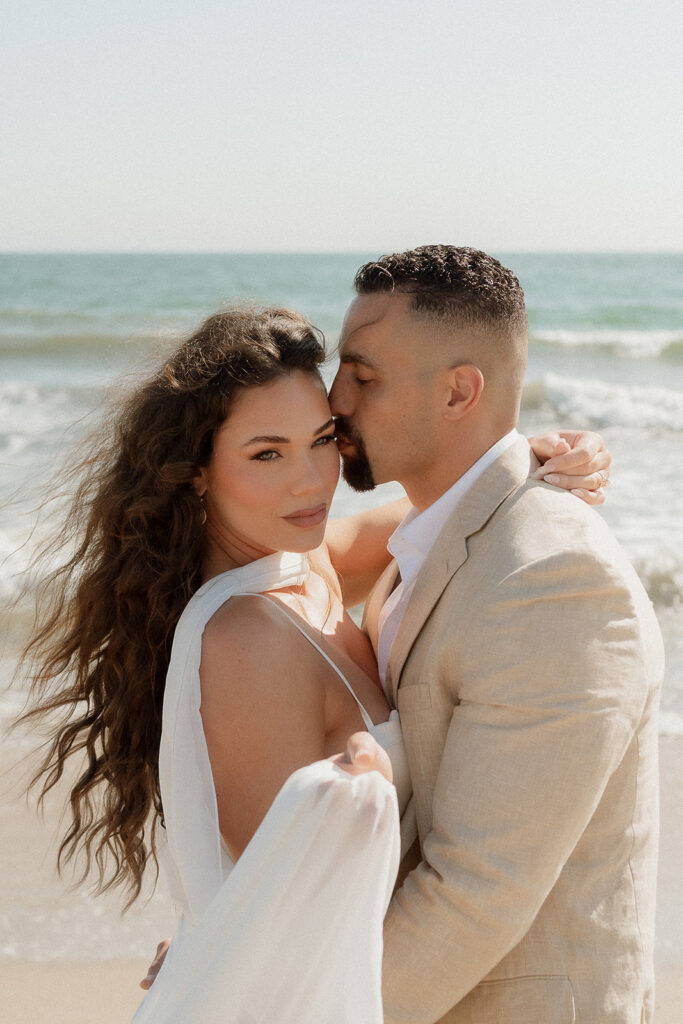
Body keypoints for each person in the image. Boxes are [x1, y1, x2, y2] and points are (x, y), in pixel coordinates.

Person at [21, 303, 609, 1021]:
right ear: (197, 473)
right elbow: (293, 914)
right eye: (266, 453)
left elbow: (438, 516)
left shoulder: (300, 566)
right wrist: (210, 958)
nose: (311, 482)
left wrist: (538, 456)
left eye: (322, 439)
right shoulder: (243, 644)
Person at [327, 245, 663, 1023]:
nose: (332, 398)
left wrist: (304, 1006)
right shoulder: (427, 537)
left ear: (458, 391)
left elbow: (476, 894)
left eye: (362, 374)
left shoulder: (552, 580)